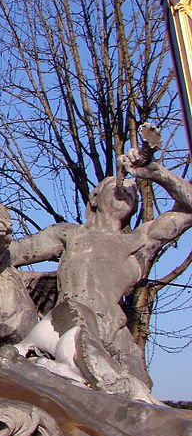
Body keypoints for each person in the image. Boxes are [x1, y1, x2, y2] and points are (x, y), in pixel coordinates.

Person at [10, 127, 192, 403]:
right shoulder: (70, 234)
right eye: (116, 186)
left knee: (140, 407)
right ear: (94, 198)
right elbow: (14, 253)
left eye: (133, 190)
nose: (126, 188)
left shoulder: (140, 241)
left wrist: (155, 172)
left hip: (116, 335)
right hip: (68, 321)